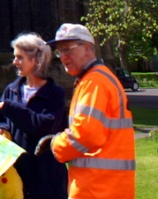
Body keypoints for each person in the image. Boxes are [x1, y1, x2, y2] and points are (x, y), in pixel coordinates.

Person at [41, 23, 135, 199]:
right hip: (106, 187)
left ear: (88, 48)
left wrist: (56, 144)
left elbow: (85, 134)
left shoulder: (94, 82)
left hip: (98, 189)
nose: (63, 57)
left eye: (68, 49)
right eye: (60, 51)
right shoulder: (96, 79)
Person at [0, 32, 68, 199]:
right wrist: (1, 128)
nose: (14, 62)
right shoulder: (11, 89)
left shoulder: (54, 94)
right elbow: (1, 117)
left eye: (20, 57)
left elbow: (43, 126)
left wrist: (10, 107)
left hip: (46, 177)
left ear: (36, 60)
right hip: (16, 175)